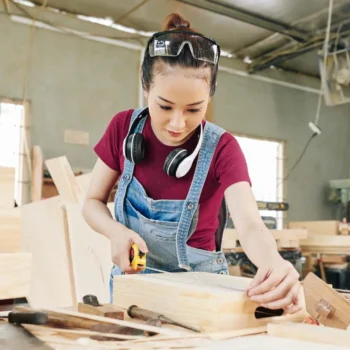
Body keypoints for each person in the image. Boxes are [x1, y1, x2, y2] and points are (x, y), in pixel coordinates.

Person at [82, 13, 301, 314]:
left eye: (194, 109)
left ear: (209, 98)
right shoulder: (123, 128)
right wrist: (115, 231)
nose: (177, 123)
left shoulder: (223, 148)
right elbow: (92, 202)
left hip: (202, 292)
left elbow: (250, 225)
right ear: (145, 86)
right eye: (165, 106)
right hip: (134, 286)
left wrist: (273, 262)